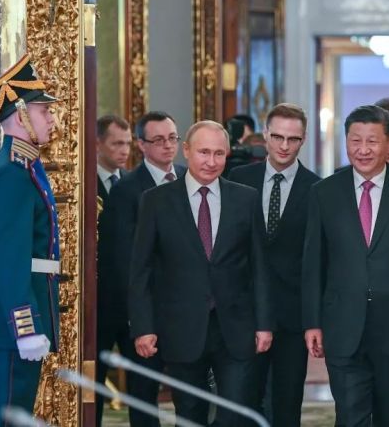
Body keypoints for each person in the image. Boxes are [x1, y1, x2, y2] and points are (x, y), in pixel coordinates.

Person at [302, 105, 389, 426]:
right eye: (355, 141)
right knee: (349, 416)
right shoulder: (324, 192)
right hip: (342, 326)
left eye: (372, 141)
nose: (363, 150)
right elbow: (313, 263)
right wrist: (312, 321)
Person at [129, 120, 273, 426]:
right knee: (189, 414)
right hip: (181, 328)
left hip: (235, 327)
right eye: (204, 152)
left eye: (219, 153)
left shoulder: (246, 198)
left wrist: (264, 324)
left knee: (235, 414)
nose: (211, 161)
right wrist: (143, 326)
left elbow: (259, 266)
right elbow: (141, 270)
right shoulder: (156, 201)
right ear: (186, 150)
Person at [0, 55, 60, 426]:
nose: (51, 119)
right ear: (20, 117)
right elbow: (6, 259)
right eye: (43, 112)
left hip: (8, 317)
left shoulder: (25, 167)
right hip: (10, 323)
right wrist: (25, 326)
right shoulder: (11, 174)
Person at [229, 104, 321, 426]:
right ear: (265, 135)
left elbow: (316, 260)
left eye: (293, 139)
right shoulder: (239, 179)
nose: (284, 145)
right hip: (243, 310)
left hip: (291, 315)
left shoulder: (317, 189)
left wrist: (314, 320)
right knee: (241, 403)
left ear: (303, 140)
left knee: (286, 404)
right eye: (278, 137)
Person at [103, 111, 186, 426]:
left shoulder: (189, 176)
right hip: (147, 308)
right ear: (142, 144)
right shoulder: (127, 189)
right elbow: (125, 259)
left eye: (173, 138)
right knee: (144, 392)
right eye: (159, 140)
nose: (168, 146)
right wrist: (139, 315)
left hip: (186, 308)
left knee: (191, 392)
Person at [94, 114, 133, 426]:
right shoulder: (82, 184)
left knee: (142, 384)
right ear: (98, 144)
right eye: (117, 143)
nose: (124, 151)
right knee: (92, 385)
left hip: (132, 302)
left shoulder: (133, 184)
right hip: (97, 301)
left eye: (128, 144)